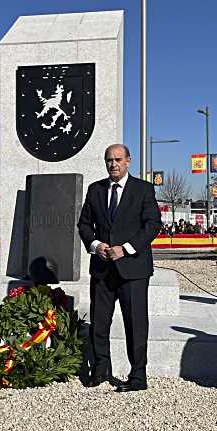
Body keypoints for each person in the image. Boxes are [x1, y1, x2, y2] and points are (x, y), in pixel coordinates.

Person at [77, 143, 162, 392]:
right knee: (99, 322)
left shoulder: (143, 190)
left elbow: (152, 225)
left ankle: (138, 376)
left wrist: (125, 249)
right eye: (108, 160)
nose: (112, 164)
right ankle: (101, 370)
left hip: (133, 270)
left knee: (135, 324)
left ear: (128, 161)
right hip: (102, 269)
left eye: (117, 159)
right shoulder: (95, 190)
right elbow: (83, 225)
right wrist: (95, 245)